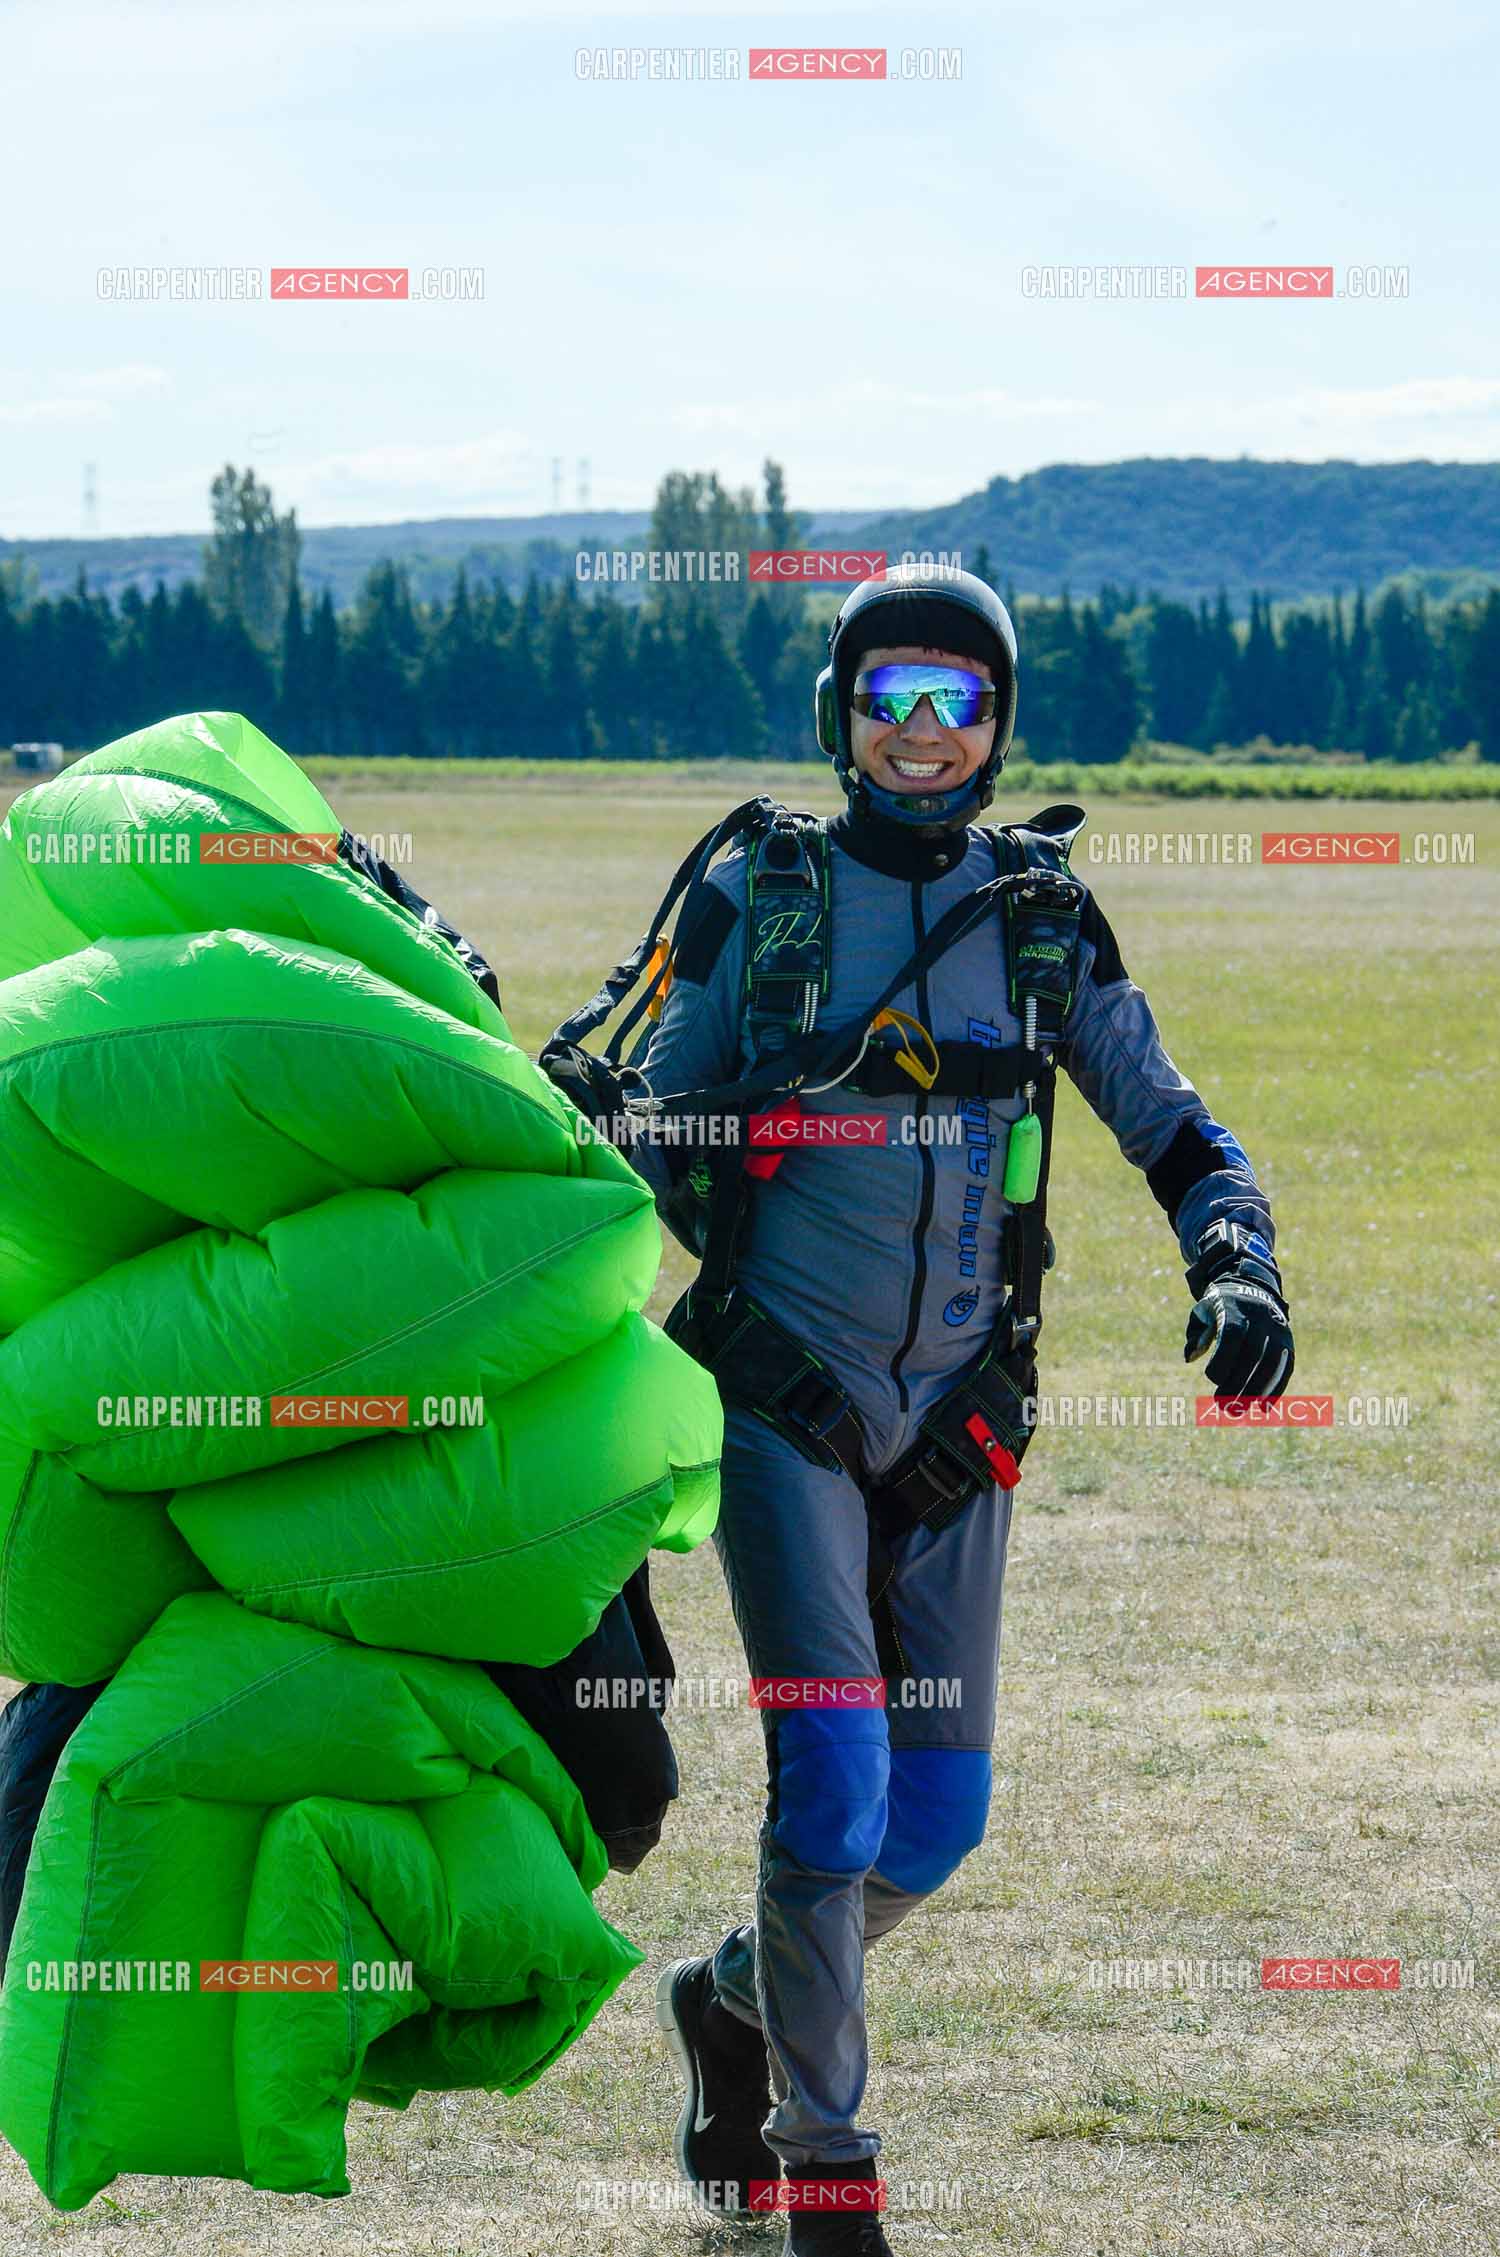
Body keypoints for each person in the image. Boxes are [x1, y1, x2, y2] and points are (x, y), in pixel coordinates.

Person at [544, 565, 1294, 2257]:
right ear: (841, 713)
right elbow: (645, 1119)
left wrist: (1237, 1258)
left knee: (933, 1822)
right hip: (784, 1405)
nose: (923, 731)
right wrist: (624, 1127)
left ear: (1000, 725)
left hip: (962, 1422)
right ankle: (831, 2171)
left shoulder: (1043, 919)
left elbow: (1172, 1120)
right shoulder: (761, 895)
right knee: (831, 1791)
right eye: (891, 695)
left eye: (958, 700)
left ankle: (735, 1995)